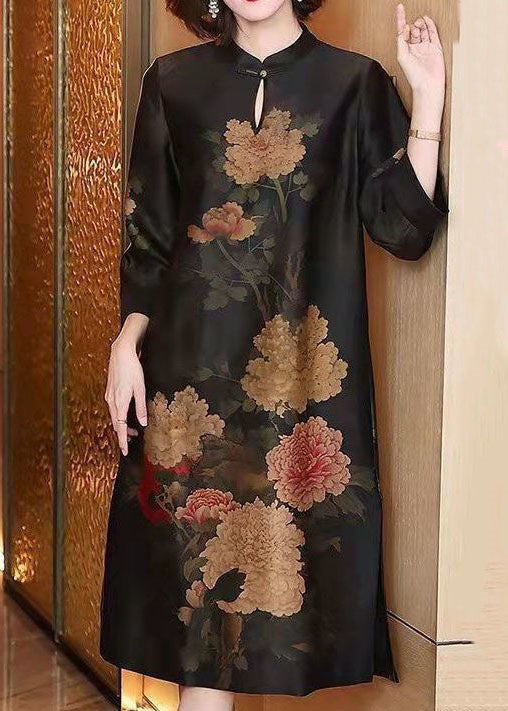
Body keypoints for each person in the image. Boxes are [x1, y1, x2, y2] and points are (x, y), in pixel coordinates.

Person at [100, 1, 449, 709]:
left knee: (277, 609)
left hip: (300, 392)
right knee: (201, 633)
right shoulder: (172, 82)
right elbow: (150, 237)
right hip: (187, 393)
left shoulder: (354, 84)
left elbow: (403, 227)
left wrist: (429, 99)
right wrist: (125, 343)